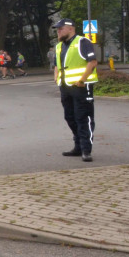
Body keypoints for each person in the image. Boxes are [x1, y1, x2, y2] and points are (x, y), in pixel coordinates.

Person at [53, 18, 98, 162]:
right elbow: (56, 64)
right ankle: (78, 146)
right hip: (65, 87)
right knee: (70, 117)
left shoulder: (82, 42)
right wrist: (56, 77)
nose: (58, 31)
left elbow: (92, 62)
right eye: (57, 29)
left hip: (81, 87)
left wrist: (82, 80)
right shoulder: (59, 46)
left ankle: (86, 150)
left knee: (83, 118)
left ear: (71, 29)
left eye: (61, 29)